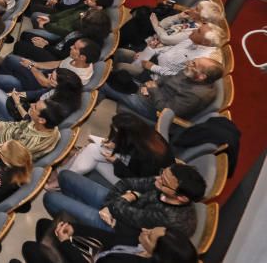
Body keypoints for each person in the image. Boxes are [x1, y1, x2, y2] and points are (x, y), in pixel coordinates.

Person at [43, 163, 204, 237]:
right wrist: (113, 204)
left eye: (163, 181)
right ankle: (76, 212)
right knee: (65, 176)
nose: (157, 180)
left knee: (50, 198)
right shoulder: (166, 183)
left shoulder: (169, 217)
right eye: (162, 173)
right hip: (119, 209)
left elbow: (128, 207)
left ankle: (72, 224)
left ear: (181, 197)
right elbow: (128, 182)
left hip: (120, 230)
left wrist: (131, 195)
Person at [65, 112, 174, 186]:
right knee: (91, 149)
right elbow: (131, 148)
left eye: (118, 132)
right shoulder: (147, 134)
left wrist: (116, 162)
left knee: (91, 154)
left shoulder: (145, 156)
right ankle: (65, 175)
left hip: (135, 183)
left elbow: (134, 178)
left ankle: (64, 177)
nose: (115, 134)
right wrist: (116, 145)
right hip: (135, 167)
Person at [102, 57, 224, 122]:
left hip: (153, 110)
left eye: (193, 64)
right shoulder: (192, 73)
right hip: (150, 93)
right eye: (193, 61)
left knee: (104, 85)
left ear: (202, 77)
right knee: (116, 75)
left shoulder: (196, 95)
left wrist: (153, 90)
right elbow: (168, 77)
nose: (188, 63)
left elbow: (166, 111)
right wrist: (153, 84)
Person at [22, 219, 198, 263]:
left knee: (30, 249)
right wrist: (76, 229)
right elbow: (109, 238)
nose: (145, 230)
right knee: (46, 225)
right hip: (99, 253)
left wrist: (66, 243)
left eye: (149, 236)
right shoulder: (140, 242)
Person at [113, 23, 224, 79]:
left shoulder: (201, 61)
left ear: (205, 42)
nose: (194, 30)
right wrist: (152, 51)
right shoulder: (193, 39)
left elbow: (177, 77)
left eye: (198, 31)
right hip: (152, 58)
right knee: (121, 52)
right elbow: (171, 49)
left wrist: (152, 67)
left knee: (121, 67)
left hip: (156, 75)